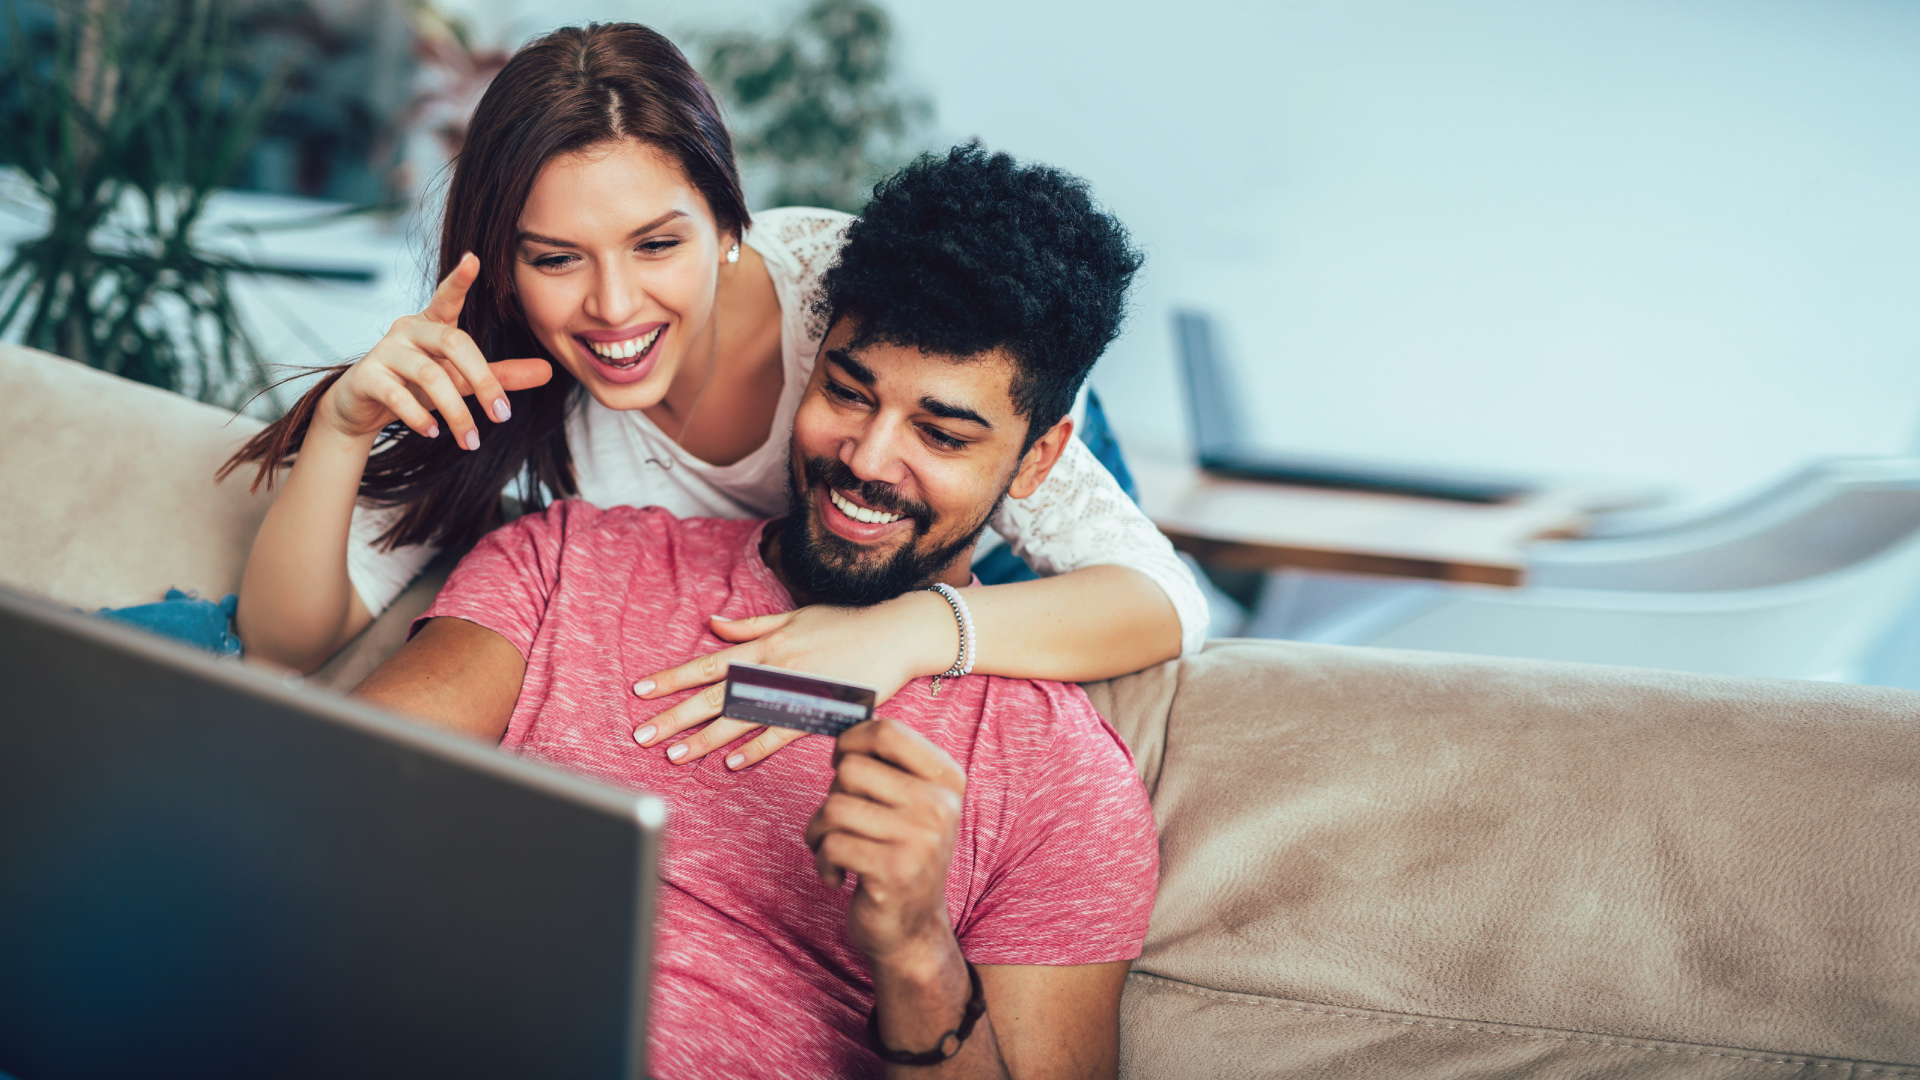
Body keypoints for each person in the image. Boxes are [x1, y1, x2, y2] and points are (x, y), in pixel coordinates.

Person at [354, 146, 1161, 1079]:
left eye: (941, 434)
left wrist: (913, 948)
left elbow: (1161, 598)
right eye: (848, 393)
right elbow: (326, 800)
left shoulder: (1064, 781)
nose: (867, 457)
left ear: (1037, 460)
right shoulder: (570, 559)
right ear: (807, 367)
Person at [221, 22, 1206, 778]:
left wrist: (905, 632)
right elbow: (285, 640)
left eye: (658, 245)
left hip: (964, 514)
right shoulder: (513, 382)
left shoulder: (850, 303)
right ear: (508, 267)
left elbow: (1159, 599)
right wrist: (348, 430)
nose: (613, 307)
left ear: (727, 215)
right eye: (557, 259)